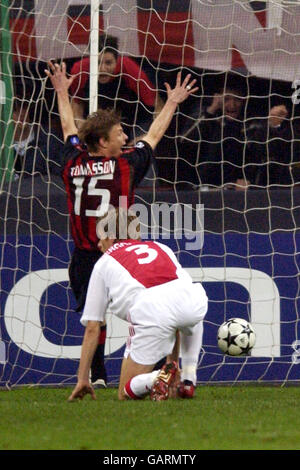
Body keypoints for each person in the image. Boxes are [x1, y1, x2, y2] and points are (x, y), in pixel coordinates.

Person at [45, 61, 198, 387]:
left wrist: (61, 91)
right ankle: (160, 369)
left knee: (93, 320)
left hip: (84, 255)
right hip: (121, 257)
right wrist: (172, 102)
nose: (126, 136)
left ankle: (97, 377)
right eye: (119, 133)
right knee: (149, 309)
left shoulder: (71, 162)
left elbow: (69, 129)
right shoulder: (124, 167)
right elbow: (154, 135)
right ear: (103, 143)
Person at [67, 208, 208, 402]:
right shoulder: (160, 247)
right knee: (187, 316)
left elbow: (93, 327)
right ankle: (188, 378)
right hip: (193, 299)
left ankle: (156, 378)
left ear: (111, 236)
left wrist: (83, 378)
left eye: (101, 238)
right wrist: (172, 362)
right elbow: (175, 314)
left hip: (152, 309)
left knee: (124, 392)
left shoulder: (103, 263)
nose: (99, 244)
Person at [69, 34, 163, 143]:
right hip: (102, 121)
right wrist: (81, 126)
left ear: (117, 60)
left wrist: (147, 137)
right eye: (97, 62)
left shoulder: (130, 70)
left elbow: (159, 107)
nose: (102, 69)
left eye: (108, 63)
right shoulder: (79, 70)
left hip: (137, 120)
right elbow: (76, 102)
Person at [179, 83, 253, 189]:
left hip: (234, 187)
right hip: (201, 187)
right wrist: (210, 111)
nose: (232, 105)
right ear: (218, 100)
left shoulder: (248, 124)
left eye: (237, 99)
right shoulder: (206, 116)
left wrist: (246, 179)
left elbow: (253, 155)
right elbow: (185, 139)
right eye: (226, 99)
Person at [12, 98, 63, 179]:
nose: (21, 113)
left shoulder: (49, 138)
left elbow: (58, 174)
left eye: (24, 107)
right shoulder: (4, 145)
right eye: (15, 110)